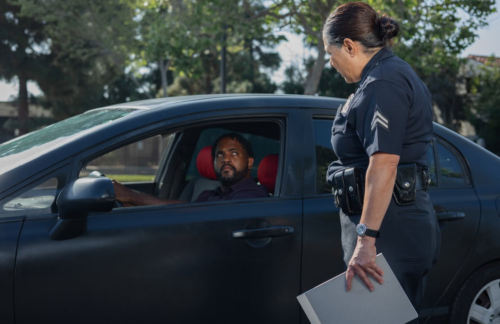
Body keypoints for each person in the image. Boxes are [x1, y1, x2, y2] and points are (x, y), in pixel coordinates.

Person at [323, 2, 440, 321]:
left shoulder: (383, 83)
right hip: (388, 225)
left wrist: (366, 240)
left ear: (348, 45)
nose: (331, 62)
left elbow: (384, 164)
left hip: (388, 229)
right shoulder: (382, 77)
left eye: (330, 53)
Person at [113, 133, 268, 206]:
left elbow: (199, 214)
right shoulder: (210, 194)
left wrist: (131, 195)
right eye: (219, 155)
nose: (225, 159)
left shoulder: (251, 196)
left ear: (249, 162)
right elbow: (185, 209)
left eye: (234, 153)